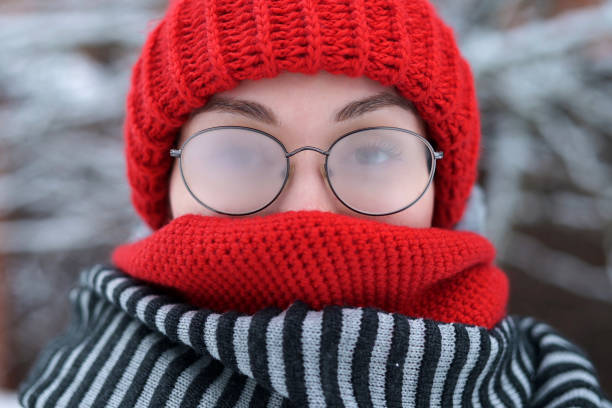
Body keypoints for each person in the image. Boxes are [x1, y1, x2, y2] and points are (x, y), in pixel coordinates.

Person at [17, 0, 612, 406]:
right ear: (164, 187)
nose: (309, 212)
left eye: (374, 151)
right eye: (239, 153)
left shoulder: (547, 383)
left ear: (441, 181)